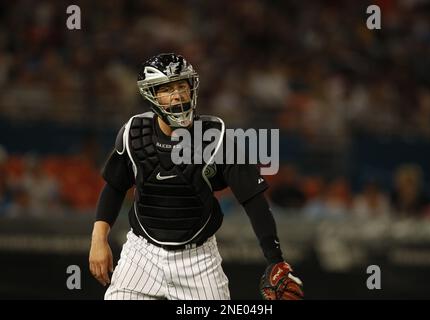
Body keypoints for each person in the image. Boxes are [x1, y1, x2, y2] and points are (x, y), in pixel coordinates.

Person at [88, 53, 303, 300]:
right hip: (141, 255)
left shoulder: (218, 137)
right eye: (167, 89)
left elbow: (253, 200)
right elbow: (114, 187)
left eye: (182, 85)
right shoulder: (133, 133)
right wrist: (98, 239)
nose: (177, 94)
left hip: (198, 260)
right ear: (151, 94)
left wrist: (275, 260)